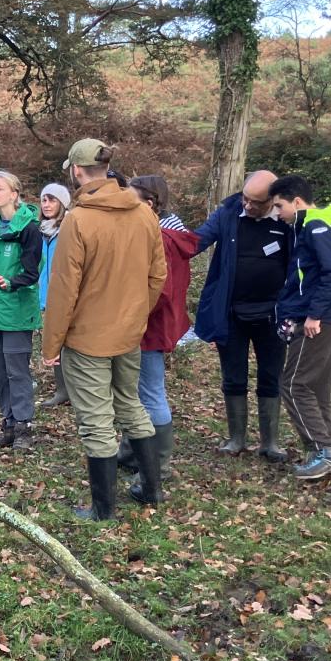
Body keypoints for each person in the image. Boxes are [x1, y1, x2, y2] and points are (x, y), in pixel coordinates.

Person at [41, 139, 167, 520]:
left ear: (76, 172)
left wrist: (52, 345)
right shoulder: (144, 213)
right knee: (130, 404)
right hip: (128, 334)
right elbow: (157, 274)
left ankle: (103, 510)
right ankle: (151, 489)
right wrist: (135, 315)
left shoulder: (79, 220)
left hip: (87, 339)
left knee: (96, 420)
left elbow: (63, 289)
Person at [191, 170, 291, 462]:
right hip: (231, 312)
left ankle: (270, 442)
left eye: (255, 202)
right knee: (233, 377)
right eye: (245, 198)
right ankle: (236, 438)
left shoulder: (287, 221)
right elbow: (195, 242)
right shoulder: (228, 212)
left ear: (272, 200)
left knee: (270, 377)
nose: (247, 205)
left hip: (273, 315)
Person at [270, 175, 331, 480]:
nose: (278, 213)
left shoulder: (315, 227)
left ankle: (324, 451)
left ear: (297, 202)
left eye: (279, 206)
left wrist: (313, 316)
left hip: (316, 320)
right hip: (326, 317)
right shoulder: (308, 226)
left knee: (293, 384)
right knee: (317, 389)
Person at [121, 176, 200, 496]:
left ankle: (159, 463)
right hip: (152, 324)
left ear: (149, 204)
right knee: (137, 390)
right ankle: (130, 451)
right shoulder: (165, 233)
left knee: (150, 392)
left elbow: (159, 291)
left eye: (131, 200)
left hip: (148, 327)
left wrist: (130, 317)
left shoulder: (162, 239)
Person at [0, 170, 44, 449]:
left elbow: (32, 273)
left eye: (0, 188)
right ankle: (7, 425)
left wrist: (10, 283)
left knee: (18, 372)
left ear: (14, 194)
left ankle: (24, 429)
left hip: (17, 312)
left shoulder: (29, 228)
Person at [36, 183, 72, 408]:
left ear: (63, 203)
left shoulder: (70, 228)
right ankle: (62, 390)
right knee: (54, 343)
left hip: (66, 296)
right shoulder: (40, 230)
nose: (47, 205)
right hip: (44, 296)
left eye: (52, 200)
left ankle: (78, 390)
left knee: (72, 344)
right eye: (44, 200)